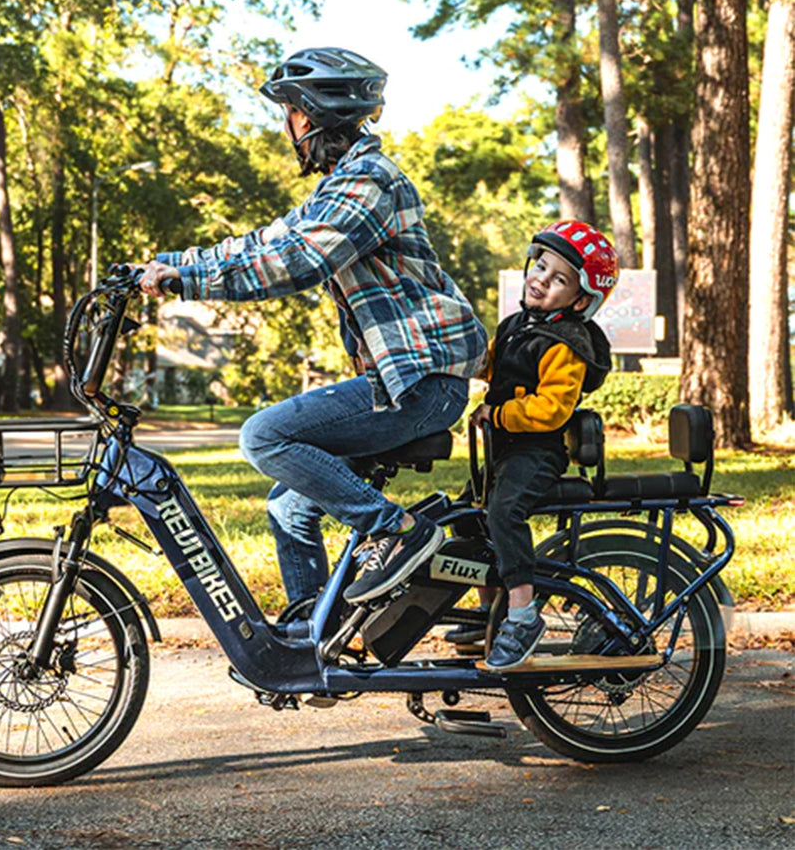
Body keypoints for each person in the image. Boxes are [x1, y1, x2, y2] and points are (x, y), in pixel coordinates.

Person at [138, 47, 488, 622]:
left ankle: (397, 530)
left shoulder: (369, 182)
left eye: (289, 114)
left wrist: (186, 281)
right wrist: (162, 264)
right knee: (291, 508)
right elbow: (262, 244)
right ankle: (311, 633)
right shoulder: (339, 188)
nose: (286, 128)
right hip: (404, 383)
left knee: (263, 437)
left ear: (310, 116)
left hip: (420, 386)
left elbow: (297, 261)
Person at [453, 220, 618, 670]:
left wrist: (500, 414)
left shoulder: (567, 343)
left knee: (504, 512)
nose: (541, 279)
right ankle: (489, 613)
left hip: (538, 452)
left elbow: (552, 409)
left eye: (559, 278)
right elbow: (490, 364)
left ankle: (522, 616)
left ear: (581, 300)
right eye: (541, 266)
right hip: (505, 452)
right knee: (466, 520)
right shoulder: (516, 325)